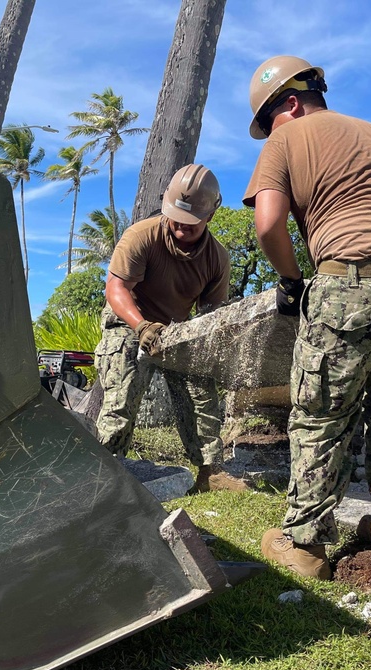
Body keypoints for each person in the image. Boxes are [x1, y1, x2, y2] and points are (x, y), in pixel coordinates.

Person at [242, 56, 371, 579]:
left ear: (289, 102)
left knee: (320, 411)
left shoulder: (286, 139)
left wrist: (295, 282)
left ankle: (306, 542)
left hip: (357, 277)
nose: (268, 132)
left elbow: (268, 226)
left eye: (269, 119)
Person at [95, 164, 231, 493]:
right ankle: (103, 476)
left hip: (176, 331)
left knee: (201, 392)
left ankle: (210, 474)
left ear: (209, 217)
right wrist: (141, 326)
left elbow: (210, 314)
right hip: (129, 322)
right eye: (177, 220)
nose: (181, 229)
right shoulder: (142, 235)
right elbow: (116, 289)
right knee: (123, 392)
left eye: (191, 225)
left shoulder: (217, 259)